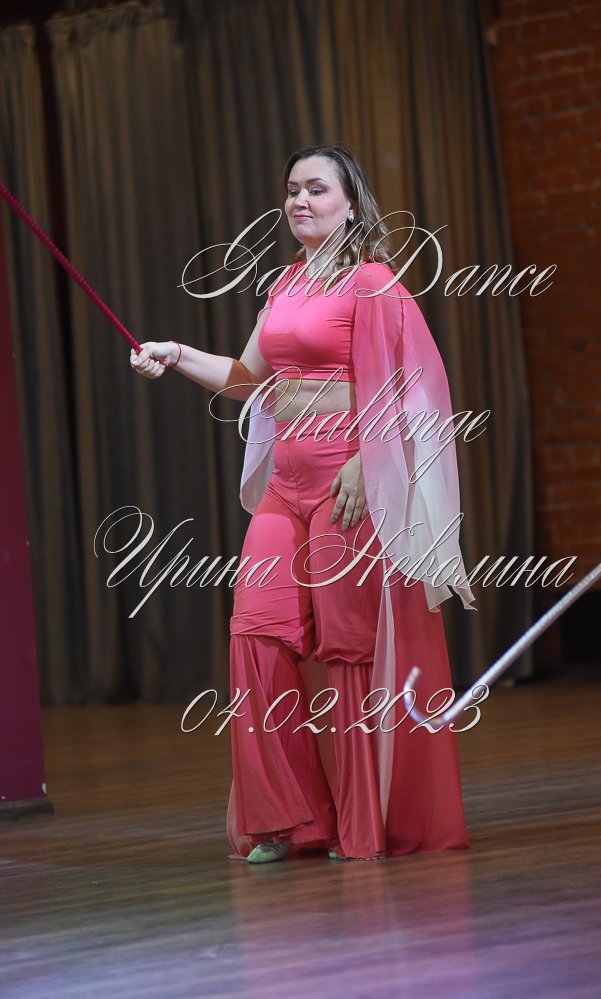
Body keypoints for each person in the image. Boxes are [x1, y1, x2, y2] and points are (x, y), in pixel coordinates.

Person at [131, 143, 475, 863]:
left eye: (316, 188)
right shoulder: (286, 283)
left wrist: (368, 460)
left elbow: (417, 388)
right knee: (257, 631)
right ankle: (290, 820)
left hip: (348, 482)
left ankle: (361, 823)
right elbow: (245, 378)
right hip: (285, 487)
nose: (300, 200)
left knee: (348, 647)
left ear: (351, 204)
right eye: (292, 189)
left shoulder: (374, 282)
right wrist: (175, 352)